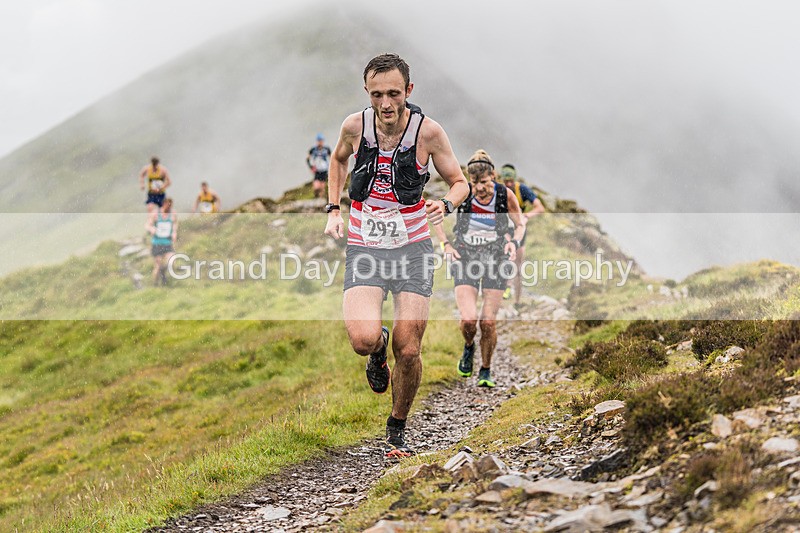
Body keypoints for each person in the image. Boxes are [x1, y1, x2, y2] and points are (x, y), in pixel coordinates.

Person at [324, 53, 469, 458]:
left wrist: (447, 204)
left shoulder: (429, 133)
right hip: (367, 245)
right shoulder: (355, 127)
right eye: (376, 95)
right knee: (363, 338)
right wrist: (335, 210)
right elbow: (337, 162)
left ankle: (397, 428)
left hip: (414, 247)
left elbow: (459, 182)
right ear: (367, 93)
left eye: (393, 93)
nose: (385, 104)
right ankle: (376, 350)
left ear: (408, 90)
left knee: (408, 348)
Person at [433, 151, 526, 388]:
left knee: (488, 322)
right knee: (468, 320)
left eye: (484, 183)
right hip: (467, 259)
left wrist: (513, 243)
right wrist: (446, 244)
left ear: (493, 177)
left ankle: (485, 369)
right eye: (475, 184)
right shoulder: (463, 194)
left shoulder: (504, 195)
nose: (480, 188)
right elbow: (436, 216)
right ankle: (468, 346)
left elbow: (520, 224)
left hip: (496, 259)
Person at [500, 164, 545, 306]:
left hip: (519, 228)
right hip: (504, 227)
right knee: (504, 258)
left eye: (510, 181)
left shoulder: (522, 190)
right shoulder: (499, 191)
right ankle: (503, 290)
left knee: (518, 265)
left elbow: (540, 207)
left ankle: (517, 301)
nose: (508, 184)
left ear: (515, 179)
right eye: (505, 181)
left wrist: (526, 216)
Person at [146, 197, 177, 286]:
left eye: (171, 205)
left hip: (167, 243)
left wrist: (174, 233)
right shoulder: (156, 213)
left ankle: (163, 272)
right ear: (164, 204)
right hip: (157, 244)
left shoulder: (172, 214)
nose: (169, 207)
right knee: (157, 266)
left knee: (172, 260)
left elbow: (175, 224)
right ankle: (154, 285)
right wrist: (152, 229)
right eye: (168, 205)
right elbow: (147, 225)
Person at [307, 134, 332, 198]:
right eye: (319, 141)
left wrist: (331, 168)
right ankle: (316, 196)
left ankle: (321, 200)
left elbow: (331, 158)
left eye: (321, 141)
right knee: (316, 187)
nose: (320, 142)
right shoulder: (313, 149)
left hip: (324, 170)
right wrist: (311, 167)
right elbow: (308, 159)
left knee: (322, 187)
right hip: (317, 170)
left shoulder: (326, 149)